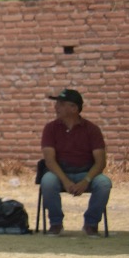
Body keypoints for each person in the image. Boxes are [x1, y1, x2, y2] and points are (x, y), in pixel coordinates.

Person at [40, 88, 111, 236]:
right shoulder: (50, 128)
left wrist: (86, 181)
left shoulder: (92, 129)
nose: (56, 107)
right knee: (47, 181)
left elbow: (100, 162)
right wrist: (65, 181)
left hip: (86, 171)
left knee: (104, 183)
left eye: (61, 104)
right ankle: (56, 223)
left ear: (74, 108)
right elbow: (50, 161)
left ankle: (91, 224)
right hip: (60, 172)